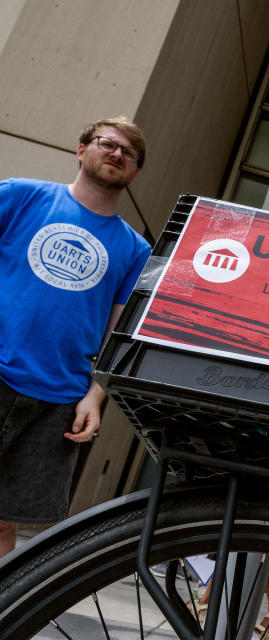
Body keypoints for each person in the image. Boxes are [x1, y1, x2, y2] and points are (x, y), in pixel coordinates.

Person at [0, 117, 152, 559]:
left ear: (135, 172)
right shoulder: (20, 196)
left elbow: (119, 334)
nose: (117, 154)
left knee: (5, 521)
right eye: (107, 143)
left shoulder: (136, 249)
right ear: (81, 148)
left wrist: (95, 397)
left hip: (57, 401)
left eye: (129, 153)